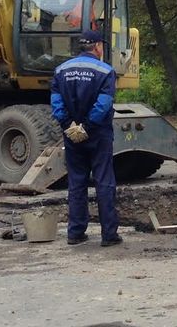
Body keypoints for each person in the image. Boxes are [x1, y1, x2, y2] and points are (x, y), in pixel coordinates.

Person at [50, 29, 122, 247]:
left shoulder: (61, 70)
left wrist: (69, 126)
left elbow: (56, 102)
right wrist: (88, 127)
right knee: (104, 181)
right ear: (98, 46)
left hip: (71, 134)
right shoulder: (105, 71)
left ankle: (75, 232)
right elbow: (104, 104)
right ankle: (109, 235)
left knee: (76, 182)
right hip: (98, 133)